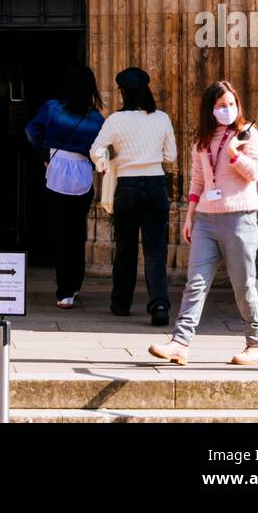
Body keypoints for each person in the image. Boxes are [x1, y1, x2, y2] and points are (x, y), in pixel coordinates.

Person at [149, 79, 258, 366]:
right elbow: (198, 181)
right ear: (210, 109)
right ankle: (180, 342)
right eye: (220, 106)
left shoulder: (247, 136)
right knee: (195, 283)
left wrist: (233, 154)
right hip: (205, 218)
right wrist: (190, 216)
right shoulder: (202, 140)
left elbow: (255, 173)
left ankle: (257, 343)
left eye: (231, 104)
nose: (227, 110)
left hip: (239, 217)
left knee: (243, 284)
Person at [89, 67, 177, 325]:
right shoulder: (161, 118)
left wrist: (108, 163)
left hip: (126, 186)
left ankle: (121, 303)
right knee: (155, 249)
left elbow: (97, 150)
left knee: (125, 248)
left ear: (123, 93)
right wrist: (148, 156)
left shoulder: (116, 120)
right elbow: (170, 156)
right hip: (154, 184)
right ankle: (159, 303)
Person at [25, 66, 104, 307]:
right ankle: (75, 285)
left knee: (61, 234)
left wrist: (44, 154)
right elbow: (100, 150)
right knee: (77, 232)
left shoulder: (52, 108)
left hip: (56, 171)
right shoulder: (96, 118)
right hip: (82, 175)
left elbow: (31, 130)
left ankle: (65, 291)